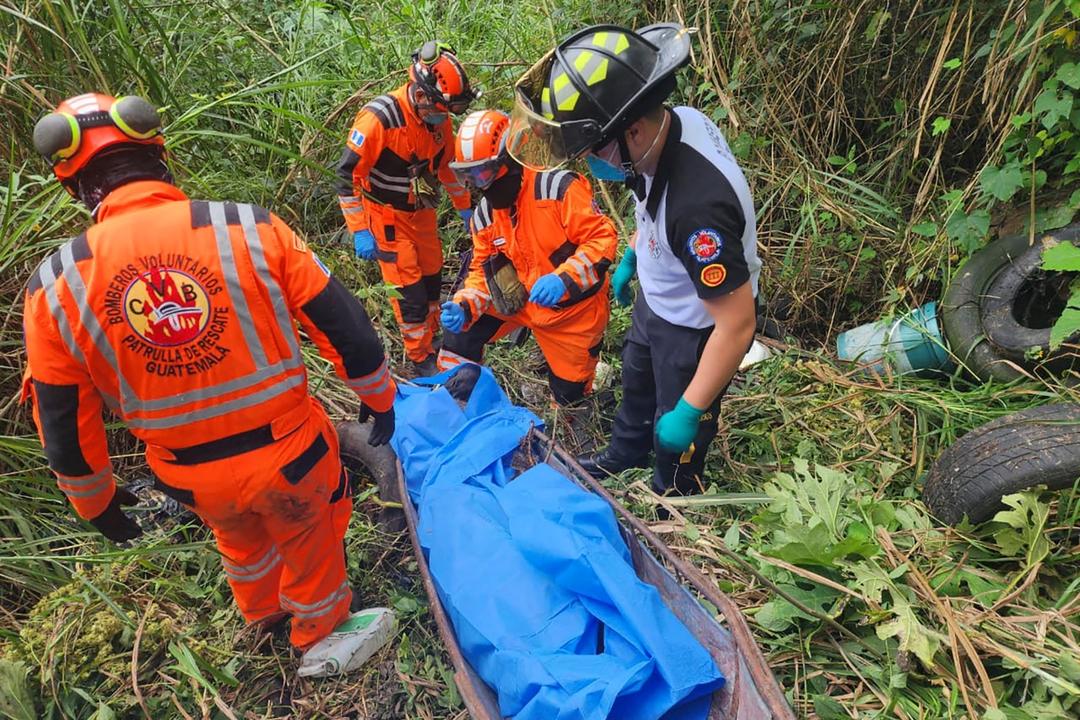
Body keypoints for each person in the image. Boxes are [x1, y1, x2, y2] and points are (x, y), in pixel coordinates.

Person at [24, 93, 397, 677]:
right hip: (289, 459)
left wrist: (94, 501)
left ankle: (264, 613)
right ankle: (319, 635)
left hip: (187, 475)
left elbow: (62, 420)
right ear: (159, 155)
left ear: (74, 185)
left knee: (241, 538)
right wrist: (379, 399)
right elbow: (348, 329)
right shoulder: (247, 226)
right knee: (309, 531)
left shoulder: (54, 283)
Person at [507, 23, 761, 495]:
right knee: (637, 381)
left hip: (695, 327)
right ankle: (625, 451)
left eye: (594, 150)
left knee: (675, 424)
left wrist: (691, 409)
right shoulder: (669, 126)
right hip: (660, 297)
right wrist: (633, 258)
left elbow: (738, 325)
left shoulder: (698, 209)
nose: (589, 163)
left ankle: (676, 491)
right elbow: (656, 211)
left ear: (634, 130)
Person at [436, 109, 617, 414]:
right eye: (467, 176)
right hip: (519, 301)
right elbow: (481, 271)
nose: (477, 186)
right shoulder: (484, 216)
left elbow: (602, 240)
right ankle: (459, 406)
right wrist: (464, 304)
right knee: (459, 334)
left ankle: (581, 388)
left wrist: (564, 278)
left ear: (507, 159)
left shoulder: (558, 188)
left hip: (570, 314)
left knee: (569, 398)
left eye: (481, 174)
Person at [335, 41, 477, 376]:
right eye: (442, 108)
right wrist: (359, 230)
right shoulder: (379, 119)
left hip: (421, 211)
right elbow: (346, 176)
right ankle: (419, 357)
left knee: (431, 280)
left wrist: (465, 207)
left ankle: (432, 339)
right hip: (385, 217)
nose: (446, 117)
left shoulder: (437, 119)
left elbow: (447, 168)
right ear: (422, 93)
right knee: (409, 291)